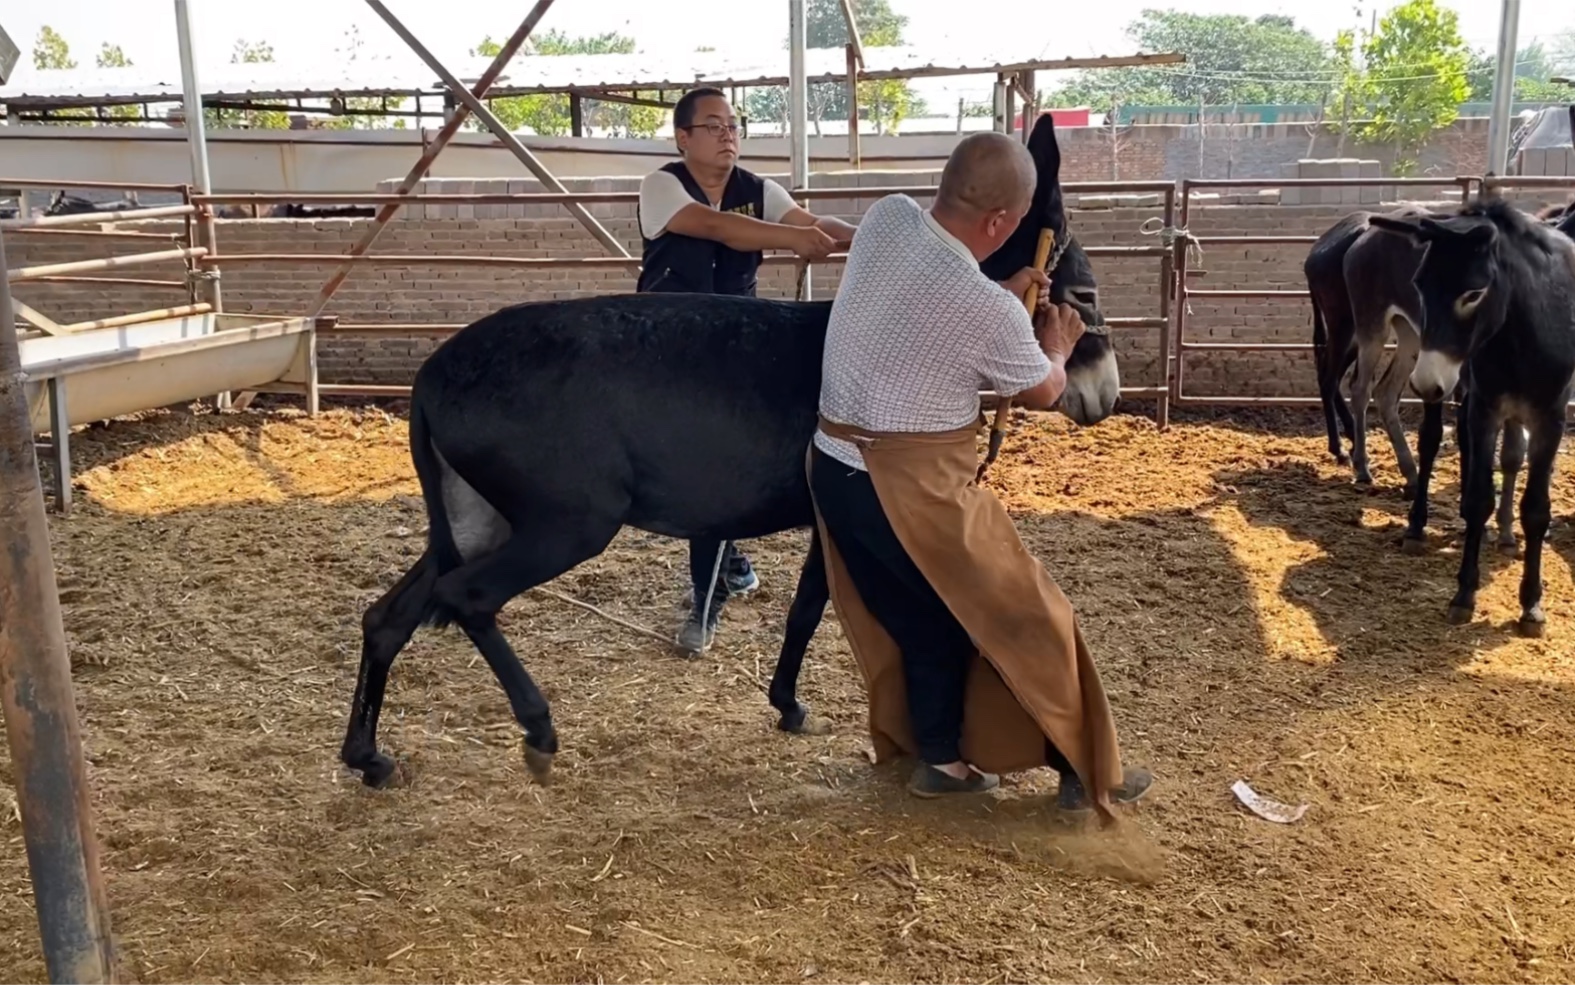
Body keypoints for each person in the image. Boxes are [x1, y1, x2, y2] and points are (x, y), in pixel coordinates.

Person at [805, 130, 1154, 820]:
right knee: (1029, 616)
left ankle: (940, 761)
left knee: (924, 619)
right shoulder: (987, 309)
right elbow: (1045, 391)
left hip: (834, 469)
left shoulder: (888, 217)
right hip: (911, 489)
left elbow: (924, 297)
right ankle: (1083, 766)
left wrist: (999, 288)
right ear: (999, 222)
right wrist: (1052, 341)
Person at [637, 86, 860, 655]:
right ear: (683, 138)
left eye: (733, 125)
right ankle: (730, 567)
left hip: (736, 350)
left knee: (716, 464)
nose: (727, 134)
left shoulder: (759, 190)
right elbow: (717, 228)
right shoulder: (663, 186)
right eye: (712, 126)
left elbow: (812, 222)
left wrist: (861, 240)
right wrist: (797, 240)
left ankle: (709, 596)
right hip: (668, 347)